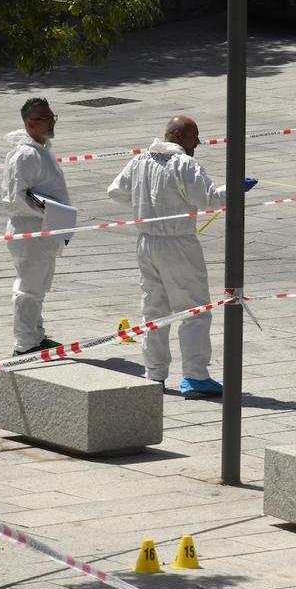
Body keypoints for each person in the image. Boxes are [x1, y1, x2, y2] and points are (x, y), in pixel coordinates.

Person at [107, 115, 236, 397]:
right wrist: (235, 189)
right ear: (177, 137)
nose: (198, 143)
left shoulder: (141, 160)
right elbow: (210, 199)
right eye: (194, 136)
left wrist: (148, 201)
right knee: (194, 310)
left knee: (154, 310)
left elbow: (115, 191)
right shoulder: (184, 164)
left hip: (147, 243)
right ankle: (195, 375)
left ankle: (154, 374)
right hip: (177, 244)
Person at [2, 97, 68, 355]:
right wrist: (54, 212)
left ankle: (35, 335)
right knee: (28, 287)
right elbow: (19, 195)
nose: (52, 121)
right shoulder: (26, 154)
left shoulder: (42, 148)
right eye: (46, 118)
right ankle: (24, 343)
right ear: (30, 123)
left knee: (39, 285)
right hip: (30, 231)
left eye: (53, 116)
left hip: (45, 230)